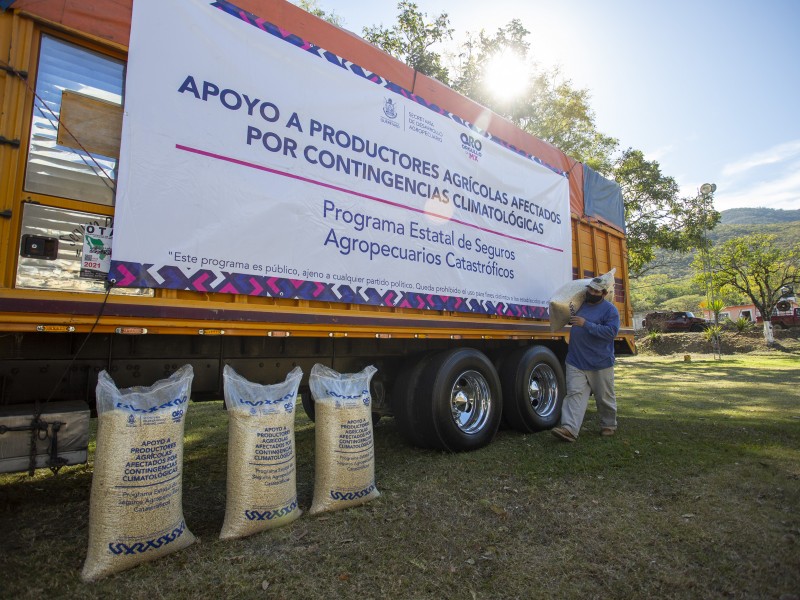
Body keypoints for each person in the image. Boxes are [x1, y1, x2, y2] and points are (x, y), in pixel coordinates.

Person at [551, 276, 620, 442]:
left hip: (600, 361)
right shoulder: (579, 305)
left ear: (603, 293)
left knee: (604, 396)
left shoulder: (610, 310)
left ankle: (608, 425)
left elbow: (611, 332)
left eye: (596, 291)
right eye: (590, 289)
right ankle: (569, 429)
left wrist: (586, 324)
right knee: (574, 394)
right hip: (575, 360)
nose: (592, 292)